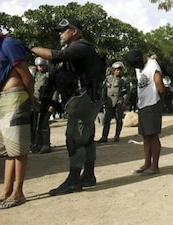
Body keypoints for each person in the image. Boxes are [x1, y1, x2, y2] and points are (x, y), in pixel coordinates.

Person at [27, 18, 104, 195]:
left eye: (63, 30)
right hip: (85, 99)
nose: (60, 34)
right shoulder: (76, 48)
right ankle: (88, 176)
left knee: (74, 138)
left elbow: (55, 56)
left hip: (82, 100)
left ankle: (74, 180)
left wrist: (29, 47)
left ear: (74, 31)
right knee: (87, 137)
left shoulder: (80, 47)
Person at [0, 22, 34, 209]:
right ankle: (6, 191)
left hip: (16, 98)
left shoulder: (9, 43)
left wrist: (30, 100)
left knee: (19, 149)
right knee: (8, 150)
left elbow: (26, 76)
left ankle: (19, 192)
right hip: (2, 100)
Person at [126, 49, 165, 176]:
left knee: (153, 136)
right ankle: (147, 163)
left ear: (143, 57)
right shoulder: (139, 67)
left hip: (152, 104)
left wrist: (160, 99)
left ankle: (155, 165)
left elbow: (159, 84)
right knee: (145, 136)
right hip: (143, 104)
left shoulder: (152, 65)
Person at [97, 61, 129, 143]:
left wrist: (124, 102)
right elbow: (104, 90)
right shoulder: (108, 79)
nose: (118, 71)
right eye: (116, 69)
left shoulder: (123, 80)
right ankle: (104, 137)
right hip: (109, 102)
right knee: (106, 120)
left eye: (119, 70)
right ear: (113, 70)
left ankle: (117, 136)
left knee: (118, 120)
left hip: (118, 102)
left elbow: (126, 93)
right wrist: (103, 100)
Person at [31, 57, 56, 154]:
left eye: (42, 65)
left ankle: (46, 145)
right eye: (39, 66)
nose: (41, 67)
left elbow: (55, 90)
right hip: (36, 103)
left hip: (46, 103)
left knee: (44, 124)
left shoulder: (49, 76)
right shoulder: (35, 76)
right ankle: (36, 144)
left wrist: (52, 104)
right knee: (34, 125)